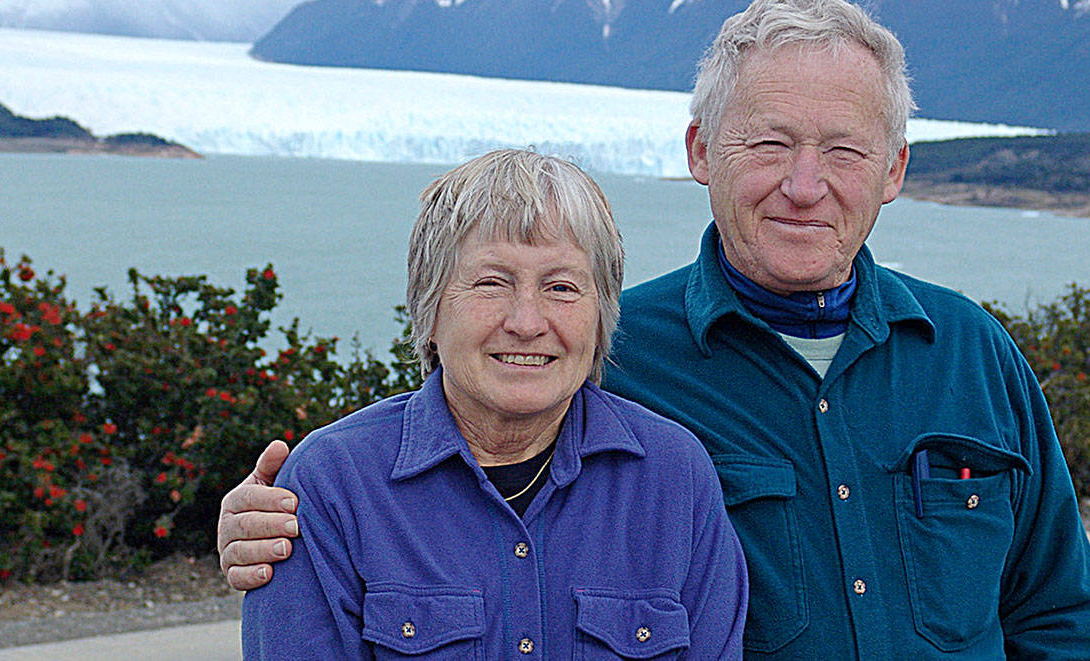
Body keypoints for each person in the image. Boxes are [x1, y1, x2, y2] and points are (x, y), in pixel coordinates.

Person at [222, 0, 1090, 658]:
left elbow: (1056, 613)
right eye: (768, 143)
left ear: (894, 169)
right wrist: (267, 517)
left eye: (843, 149)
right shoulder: (613, 352)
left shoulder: (974, 355)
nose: (805, 185)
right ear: (699, 152)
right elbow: (463, 434)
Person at [240, 149, 747, 658]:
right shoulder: (333, 485)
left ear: (601, 319)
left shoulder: (674, 478)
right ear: (429, 310)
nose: (527, 322)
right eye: (490, 283)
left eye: (562, 287)